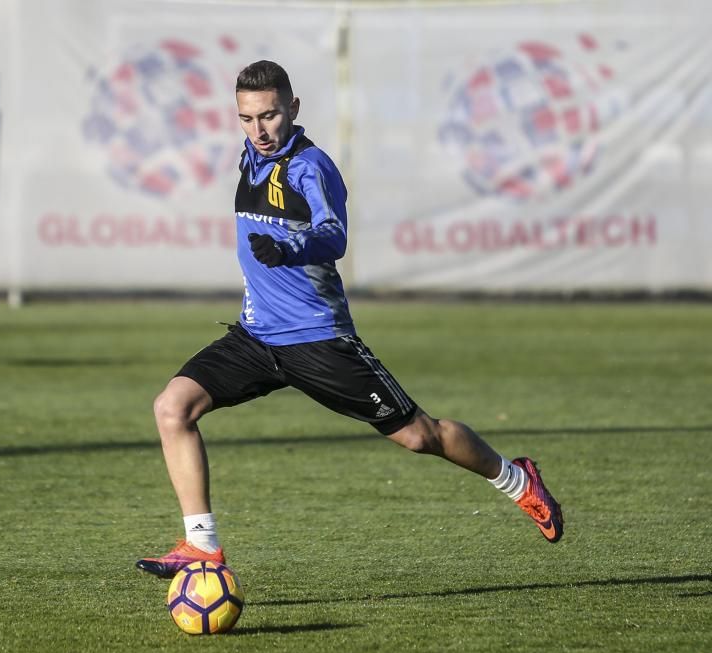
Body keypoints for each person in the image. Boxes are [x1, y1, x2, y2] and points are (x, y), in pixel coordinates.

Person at [136, 60, 564, 578]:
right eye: (247, 119)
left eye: (269, 116)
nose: (259, 130)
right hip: (255, 336)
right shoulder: (249, 157)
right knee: (172, 407)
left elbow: (334, 235)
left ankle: (517, 479)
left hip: (318, 341)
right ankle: (202, 545)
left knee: (419, 436)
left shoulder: (310, 167)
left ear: (292, 109)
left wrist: (290, 246)